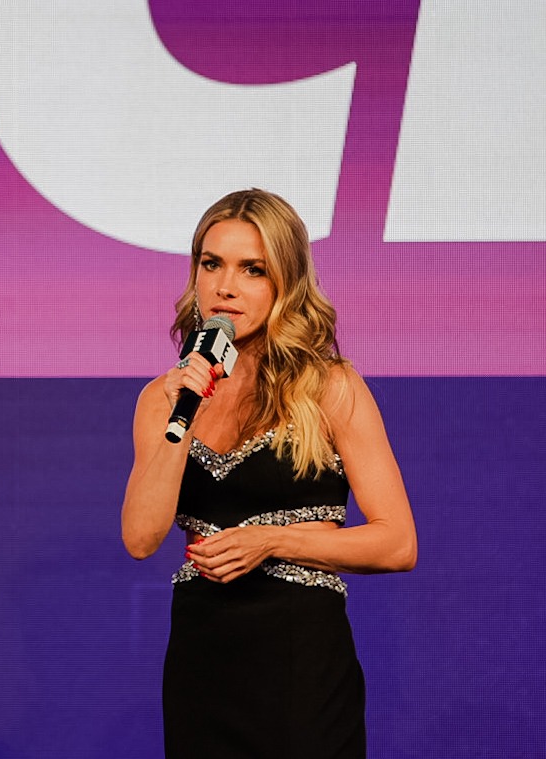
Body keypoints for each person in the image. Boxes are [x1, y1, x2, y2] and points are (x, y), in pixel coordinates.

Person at [121, 188, 416, 758]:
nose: (225, 286)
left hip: (300, 661)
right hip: (202, 659)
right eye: (212, 264)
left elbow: (398, 543)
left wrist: (271, 541)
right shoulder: (164, 398)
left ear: (286, 282)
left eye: (252, 269)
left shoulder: (329, 388)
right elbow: (140, 538)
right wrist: (185, 414)